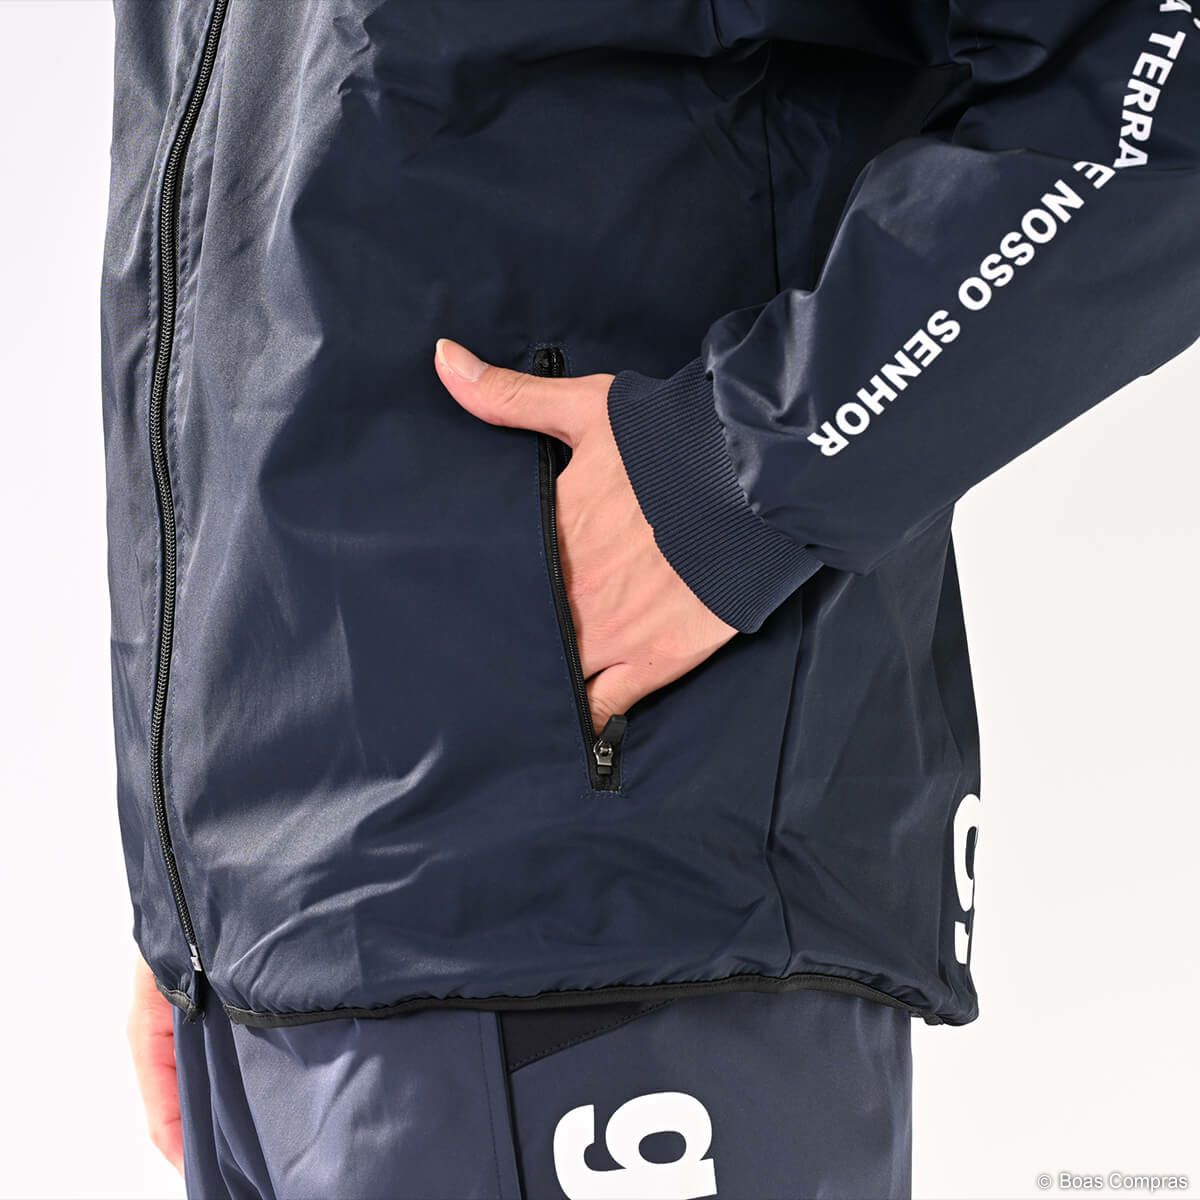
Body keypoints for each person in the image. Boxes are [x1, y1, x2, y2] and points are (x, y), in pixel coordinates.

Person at [105, 1, 1199, 1196]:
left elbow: (1154, 83)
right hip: (270, 958)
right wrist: (197, 889)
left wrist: (737, 479)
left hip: (612, 893)